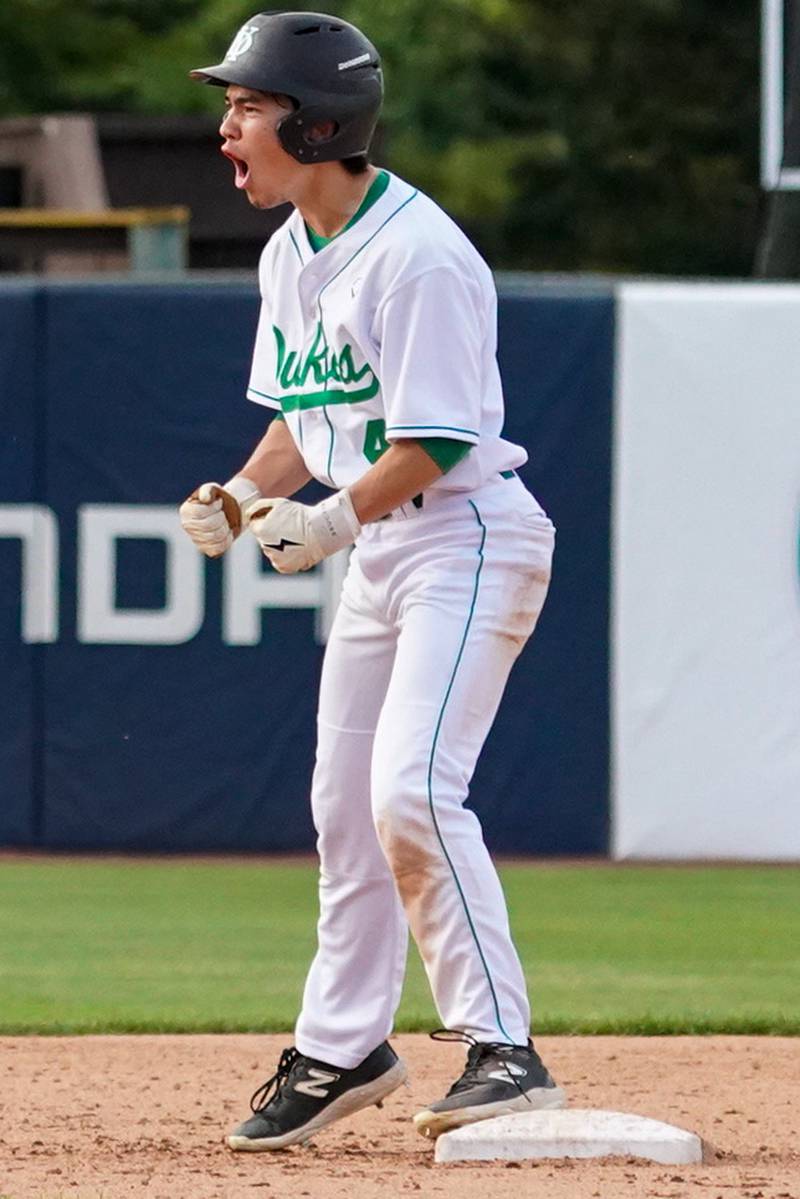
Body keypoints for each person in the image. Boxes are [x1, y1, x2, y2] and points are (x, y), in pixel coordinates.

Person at [180, 10, 565, 1153]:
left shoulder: (418, 253)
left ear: (315, 121)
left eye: (247, 105)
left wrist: (336, 518)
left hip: (466, 538)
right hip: (387, 549)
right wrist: (242, 497)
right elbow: (306, 424)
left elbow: (436, 440)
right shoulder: (287, 248)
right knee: (342, 810)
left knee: (409, 792)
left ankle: (503, 1046)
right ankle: (343, 1045)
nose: (227, 127)